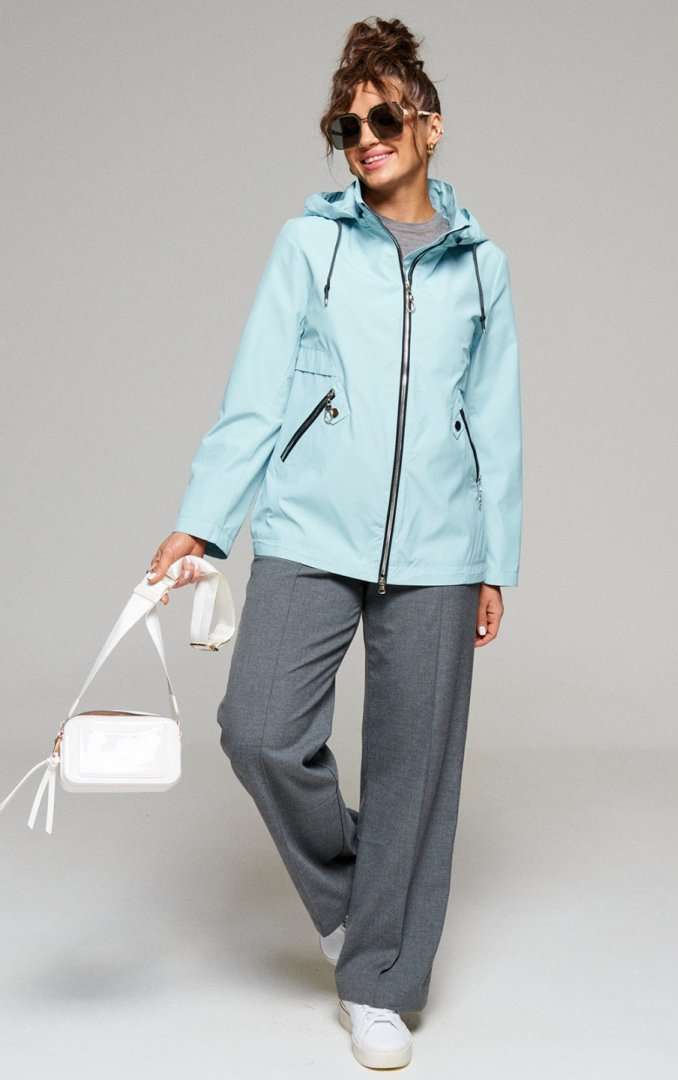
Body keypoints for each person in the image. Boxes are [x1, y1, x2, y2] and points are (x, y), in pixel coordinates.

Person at [146, 15, 523, 1071]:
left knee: (414, 769)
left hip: (441, 547)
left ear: (428, 125)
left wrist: (495, 560)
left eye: (383, 117)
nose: (365, 138)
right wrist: (203, 519)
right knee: (259, 728)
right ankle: (362, 904)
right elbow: (256, 393)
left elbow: (494, 424)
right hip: (310, 526)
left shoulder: (482, 268)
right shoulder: (307, 244)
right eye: (345, 125)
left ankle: (379, 983)